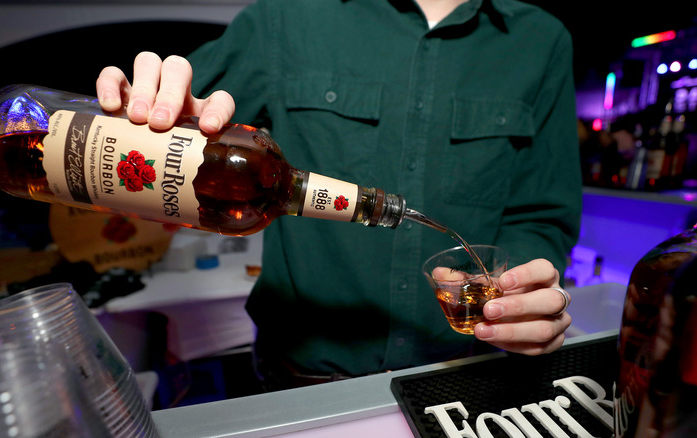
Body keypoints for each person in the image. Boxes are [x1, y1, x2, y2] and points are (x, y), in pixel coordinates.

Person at [96, 0, 581, 388]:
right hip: (298, 383)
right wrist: (148, 120)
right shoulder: (288, 16)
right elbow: (172, 130)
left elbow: (540, 214)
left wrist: (521, 295)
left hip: (460, 379)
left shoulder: (541, 41)